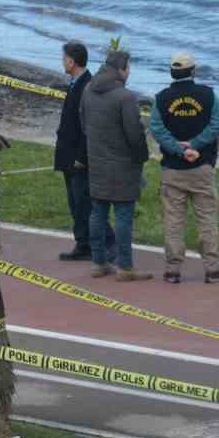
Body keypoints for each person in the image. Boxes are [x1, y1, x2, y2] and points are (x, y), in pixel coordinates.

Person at [148, 51, 219, 284]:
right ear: (193, 71)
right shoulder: (208, 95)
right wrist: (195, 146)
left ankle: (173, 270)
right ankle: (212, 269)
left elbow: (157, 129)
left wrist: (179, 149)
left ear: (172, 73)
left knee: (174, 221)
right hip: (202, 166)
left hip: (172, 169)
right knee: (207, 219)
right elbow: (218, 124)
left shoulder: (161, 98)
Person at [80, 49, 151, 282]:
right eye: (128, 67)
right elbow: (135, 133)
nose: (129, 72)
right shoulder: (125, 97)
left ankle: (98, 263)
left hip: (98, 160)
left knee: (97, 212)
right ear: (121, 69)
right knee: (123, 215)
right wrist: (141, 156)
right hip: (123, 164)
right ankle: (125, 266)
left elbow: (83, 122)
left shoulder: (88, 89)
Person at [53, 41, 112, 262]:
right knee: (75, 201)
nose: (62, 62)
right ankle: (83, 242)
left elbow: (90, 126)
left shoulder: (87, 86)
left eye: (64, 58)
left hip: (79, 157)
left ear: (71, 60)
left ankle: (105, 242)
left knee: (84, 202)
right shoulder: (75, 83)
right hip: (68, 154)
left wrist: (82, 156)